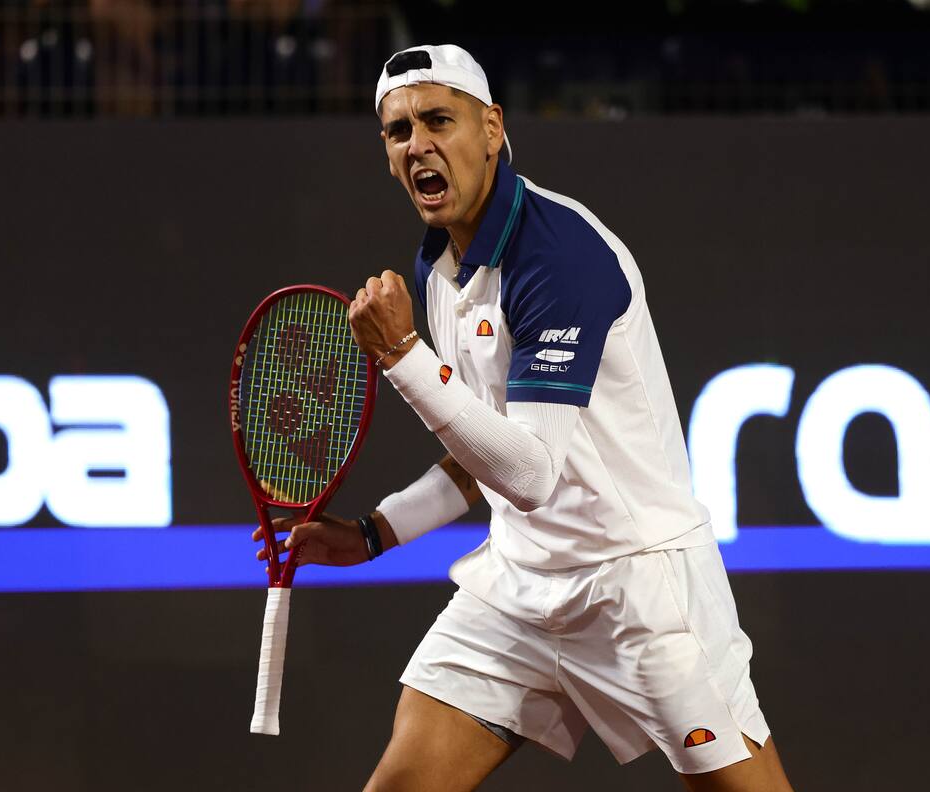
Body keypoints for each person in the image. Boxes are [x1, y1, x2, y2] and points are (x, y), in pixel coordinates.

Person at [253, 44, 795, 792]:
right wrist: (377, 533)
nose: (419, 145)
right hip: (519, 587)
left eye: (439, 120)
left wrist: (405, 356)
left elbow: (532, 472)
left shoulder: (561, 256)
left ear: (492, 129)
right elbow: (491, 452)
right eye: (398, 131)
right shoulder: (438, 266)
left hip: (638, 584)